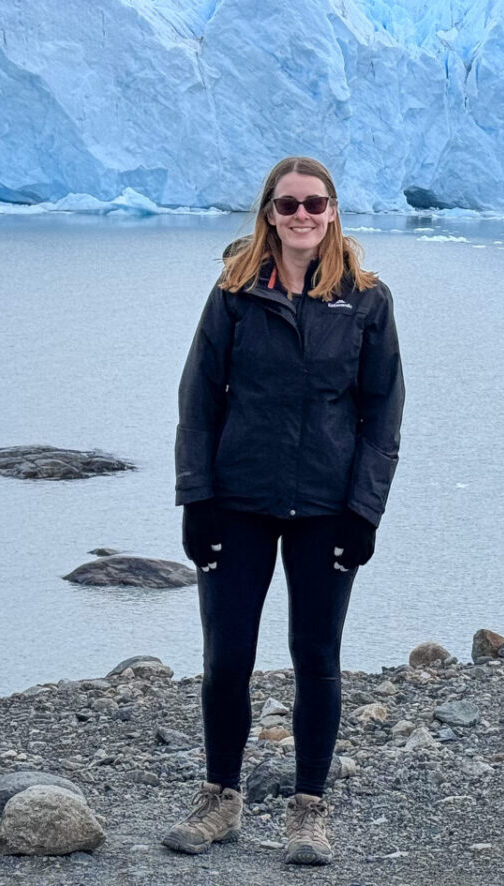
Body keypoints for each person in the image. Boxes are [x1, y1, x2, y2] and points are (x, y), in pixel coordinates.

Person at [163, 155, 404, 866]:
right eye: (288, 204)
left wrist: (365, 512)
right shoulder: (235, 294)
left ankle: (308, 812)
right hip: (238, 500)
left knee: (317, 658)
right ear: (269, 213)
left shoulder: (365, 300)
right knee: (227, 658)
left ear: (334, 212)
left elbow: (382, 416)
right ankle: (220, 801)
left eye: (315, 204)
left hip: (327, 507)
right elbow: (199, 401)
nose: (302, 216)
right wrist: (195, 499)